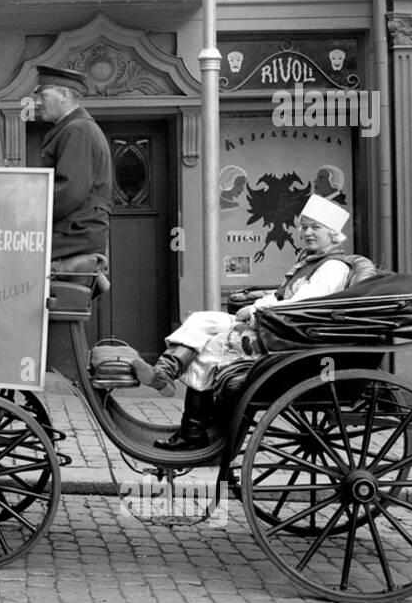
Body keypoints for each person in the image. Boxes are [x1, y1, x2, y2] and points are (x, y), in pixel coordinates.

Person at [131, 194, 359, 450]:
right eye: (304, 226)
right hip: (274, 325)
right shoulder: (309, 262)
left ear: (333, 234)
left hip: (286, 337)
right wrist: (256, 306)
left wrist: (253, 311)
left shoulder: (332, 268)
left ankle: (193, 431)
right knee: (201, 320)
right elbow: (281, 295)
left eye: (315, 227)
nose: (307, 232)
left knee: (210, 347)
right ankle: (164, 372)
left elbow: (300, 306)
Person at [33, 65, 112, 278]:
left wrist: (28, 216)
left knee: (11, 254)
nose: (38, 102)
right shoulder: (75, 128)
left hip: (75, 234)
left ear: (64, 95)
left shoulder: (78, 129)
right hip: (76, 233)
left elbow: (69, 192)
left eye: (43, 94)